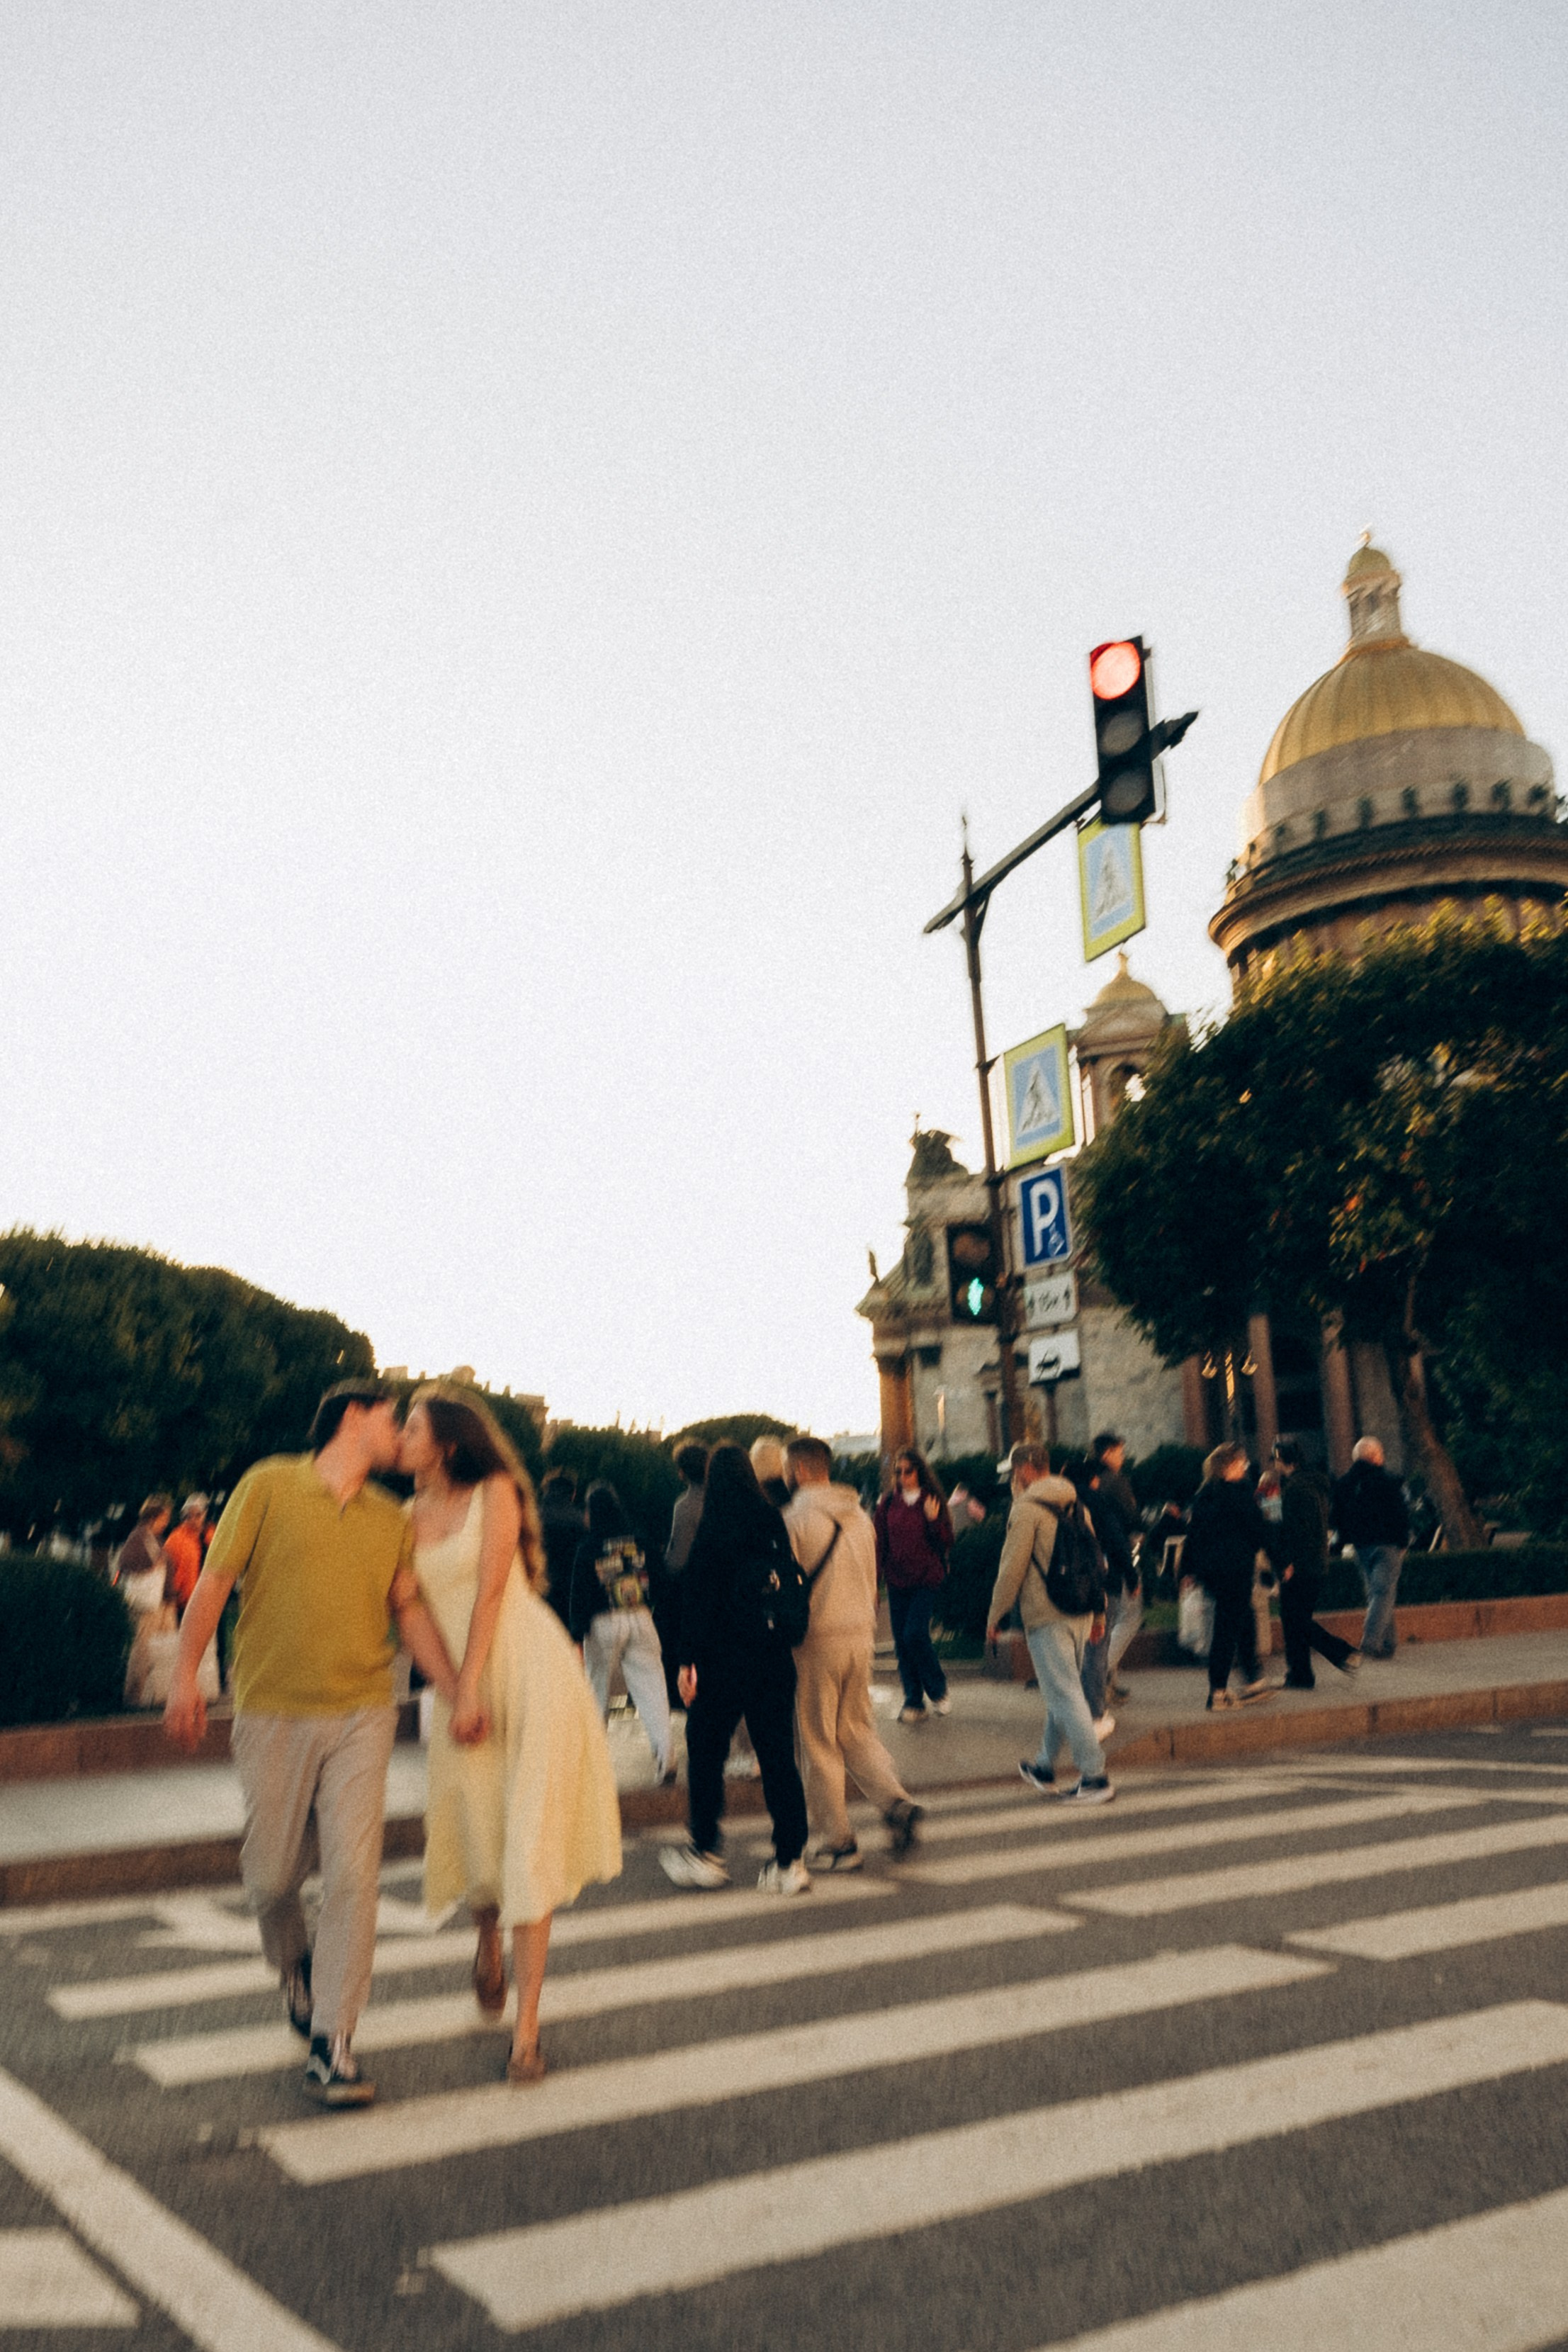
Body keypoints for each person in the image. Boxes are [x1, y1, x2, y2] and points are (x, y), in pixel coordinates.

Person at [163, 1381, 458, 2108]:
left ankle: (334, 2040)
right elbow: (214, 1584)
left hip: (363, 1712)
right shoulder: (267, 1483)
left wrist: (458, 1689)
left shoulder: (391, 1517)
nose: (400, 1433)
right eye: (394, 1419)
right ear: (355, 1417)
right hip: (271, 1712)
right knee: (269, 1878)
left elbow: (409, 1609)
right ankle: (291, 1963)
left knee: (355, 1878)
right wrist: (184, 1677)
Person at [400, 1385, 621, 2084]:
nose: (400, 1435)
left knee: (526, 1838)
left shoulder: (496, 1489)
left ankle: (526, 2031)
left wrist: (471, 1684)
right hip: (458, 1683)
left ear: (448, 1442)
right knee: (478, 1830)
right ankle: (486, 1937)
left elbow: (493, 1588)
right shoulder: (401, 1518)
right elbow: (411, 1616)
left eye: (411, 1424)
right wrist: (451, 1689)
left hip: (527, 1671)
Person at [661, 1441, 811, 1894]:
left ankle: (706, 1850)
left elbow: (698, 1602)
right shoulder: (772, 1522)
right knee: (779, 1758)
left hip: (722, 1662)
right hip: (772, 1657)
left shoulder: (713, 1526)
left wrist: (687, 1662)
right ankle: (790, 1862)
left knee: (706, 1754)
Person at [783, 1435, 922, 1869]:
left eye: (790, 1470)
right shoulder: (860, 1517)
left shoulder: (794, 1518)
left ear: (800, 1471)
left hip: (816, 1642)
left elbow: (786, 1587)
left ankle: (838, 1842)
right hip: (861, 1637)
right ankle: (896, 1802)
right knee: (857, 1730)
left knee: (818, 1740)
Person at [986, 1443, 1115, 1805]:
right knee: (1065, 1691)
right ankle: (1044, 1766)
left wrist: (995, 1616)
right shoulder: (1075, 1503)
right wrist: (1099, 1613)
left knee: (1065, 1694)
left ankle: (1095, 1777)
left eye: (1014, 1472)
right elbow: (1095, 1562)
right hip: (1080, 1611)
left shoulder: (1026, 1509)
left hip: (1047, 1614)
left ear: (1027, 1469)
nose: (1013, 1479)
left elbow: (1011, 1569)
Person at [569, 1480, 675, 1786]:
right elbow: (662, 1580)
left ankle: (592, 1765)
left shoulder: (589, 1548)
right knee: (653, 1688)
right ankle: (666, 1753)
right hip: (641, 1617)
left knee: (597, 1691)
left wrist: (578, 1634)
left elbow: (580, 1594)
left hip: (603, 1622)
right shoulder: (640, 1540)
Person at [1183, 1442, 1280, 1711]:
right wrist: (1279, 1562)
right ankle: (1218, 1693)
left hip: (1213, 1573)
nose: (1245, 1468)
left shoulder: (1204, 1495)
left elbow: (1194, 1536)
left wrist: (1188, 1571)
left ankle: (1252, 1678)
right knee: (1226, 1630)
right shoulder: (1240, 1493)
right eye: (1241, 1464)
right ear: (1230, 1467)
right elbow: (1260, 1530)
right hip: (1236, 1570)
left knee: (1242, 1618)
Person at [873, 1448, 954, 1723]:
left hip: (926, 1579)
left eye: (909, 1471)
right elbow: (879, 1545)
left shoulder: (930, 1501)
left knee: (915, 1634)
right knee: (902, 1643)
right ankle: (913, 1700)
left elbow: (945, 1541)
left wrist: (933, 1522)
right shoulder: (887, 1504)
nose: (903, 1476)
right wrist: (875, 1582)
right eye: (898, 1471)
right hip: (897, 1582)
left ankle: (938, 1688)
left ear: (919, 1472)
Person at [1273, 1439, 1358, 1687]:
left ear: (1283, 1460)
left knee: (1294, 1620)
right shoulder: (1316, 1485)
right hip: (1317, 1562)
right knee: (1298, 1619)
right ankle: (1301, 1675)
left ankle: (1341, 1652)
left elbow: (1294, 1530)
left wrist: (1288, 1562)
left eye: (1277, 1460)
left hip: (1300, 1565)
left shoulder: (1294, 1489)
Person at [1332, 1436, 1411, 1660]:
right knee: (1383, 1592)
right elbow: (1400, 1513)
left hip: (1360, 1546)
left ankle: (1388, 1643)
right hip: (1387, 1544)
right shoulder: (1388, 1480)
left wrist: (1347, 1538)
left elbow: (1336, 1516)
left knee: (1378, 1593)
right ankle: (1371, 1640)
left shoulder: (1345, 1483)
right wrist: (1403, 1541)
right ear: (1375, 1456)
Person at [1070, 1457, 1123, 1743]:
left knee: (1078, 1650)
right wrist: (1131, 1575)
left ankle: (1079, 1711)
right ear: (1093, 1479)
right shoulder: (1098, 1501)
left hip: (1068, 1587)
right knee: (1097, 1648)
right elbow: (1115, 1540)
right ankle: (1095, 1713)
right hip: (1099, 1583)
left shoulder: (1062, 1502)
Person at [1092, 1434, 1144, 1702]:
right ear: (1107, 1454)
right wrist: (1148, 1522)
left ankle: (1109, 1680)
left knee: (1111, 1618)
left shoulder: (1093, 1481)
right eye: (1118, 1452)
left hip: (1100, 1559)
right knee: (1130, 1616)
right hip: (1120, 1555)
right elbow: (1130, 1518)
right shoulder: (1115, 1482)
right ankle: (1102, 1672)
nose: (1122, 1457)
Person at [657, 1444, 707, 1706]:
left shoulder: (685, 1506)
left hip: (689, 1588)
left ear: (682, 1473)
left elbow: (678, 1558)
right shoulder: (721, 1501)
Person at [537, 1470, 585, 1631]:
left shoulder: (535, 1518)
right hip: (572, 1591)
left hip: (542, 1588)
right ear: (573, 1494)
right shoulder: (581, 1521)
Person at [115, 1495, 173, 1602]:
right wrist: (150, 1566)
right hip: (142, 1602)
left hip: (156, 1602)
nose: (166, 1523)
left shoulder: (156, 1539)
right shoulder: (139, 1536)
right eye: (163, 1519)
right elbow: (124, 1562)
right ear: (152, 1518)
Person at [162, 1495, 210, 1616]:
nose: (193, 1519)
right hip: (185, 1602)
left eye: (198, 1515)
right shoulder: (176, 1539)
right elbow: (168, 1569)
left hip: (211, 1599)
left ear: (205, 1514)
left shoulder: (212, 1535)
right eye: (189, 1516)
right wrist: (175, 1593)